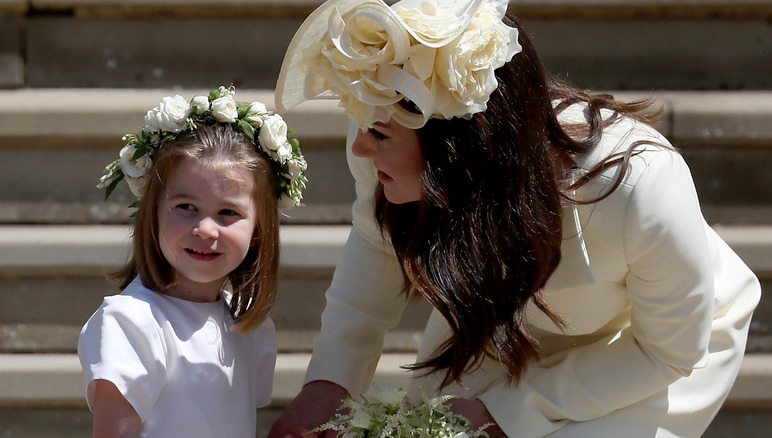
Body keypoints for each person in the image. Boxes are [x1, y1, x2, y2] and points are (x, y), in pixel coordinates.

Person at [269, 0, 762, 437]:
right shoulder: (381, 145)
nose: (358, 147)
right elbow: (376, 249)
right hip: (504, 317)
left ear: (458, 148)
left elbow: (668, 353)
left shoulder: (640, 185)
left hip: (650, 349)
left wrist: (506, 411)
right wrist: (330, 382)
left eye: (378, 134)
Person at [79, 86, 307, 438]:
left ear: (260, 229)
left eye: (228, 212)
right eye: (186, 207)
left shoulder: (248, 326)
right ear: (153, 213)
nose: (204, 229)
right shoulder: (132, 323)